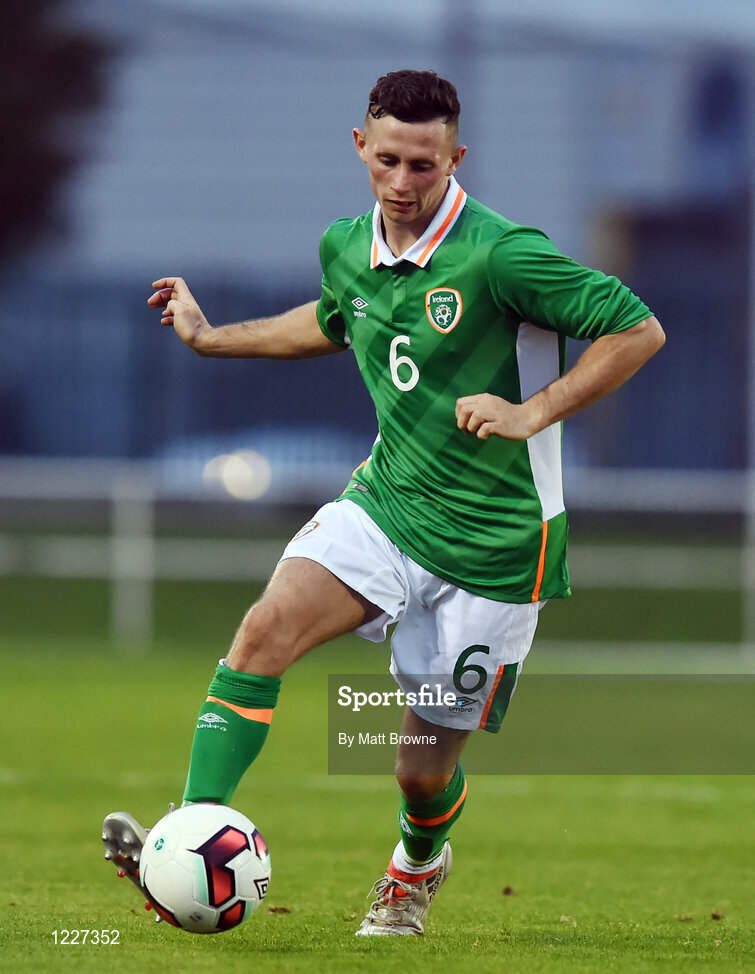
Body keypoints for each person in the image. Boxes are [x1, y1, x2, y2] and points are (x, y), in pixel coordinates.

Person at [102, 69, 665, 936]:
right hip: (387, 504)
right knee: (263, 633)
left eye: (424, 167)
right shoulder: (345, 244)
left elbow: (638, 328)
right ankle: (186, 841)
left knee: (416, 770)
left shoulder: (501, 253)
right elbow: (337, 318)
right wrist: (212, 339)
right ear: (360, 148)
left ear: (455, 158)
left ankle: (416, 861)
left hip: (498, 546)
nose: (403, 185)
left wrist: (531, 411)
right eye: (389, 161)